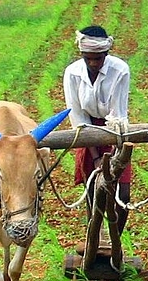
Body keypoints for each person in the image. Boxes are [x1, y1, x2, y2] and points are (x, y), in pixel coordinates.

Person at [62, 25, 132, 243]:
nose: (93, 63)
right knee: (94, 191)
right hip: (87, 132)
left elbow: (117, 115)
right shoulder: (72, 73)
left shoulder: (120, 70)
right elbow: (78, 117)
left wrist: (112, 158)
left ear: (106, 54)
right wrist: (95, 157)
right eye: (88, 59)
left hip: (115, 132)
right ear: (82, 55)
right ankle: (95, 240)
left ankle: (115, 242)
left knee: (122, 196)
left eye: (98, 59)